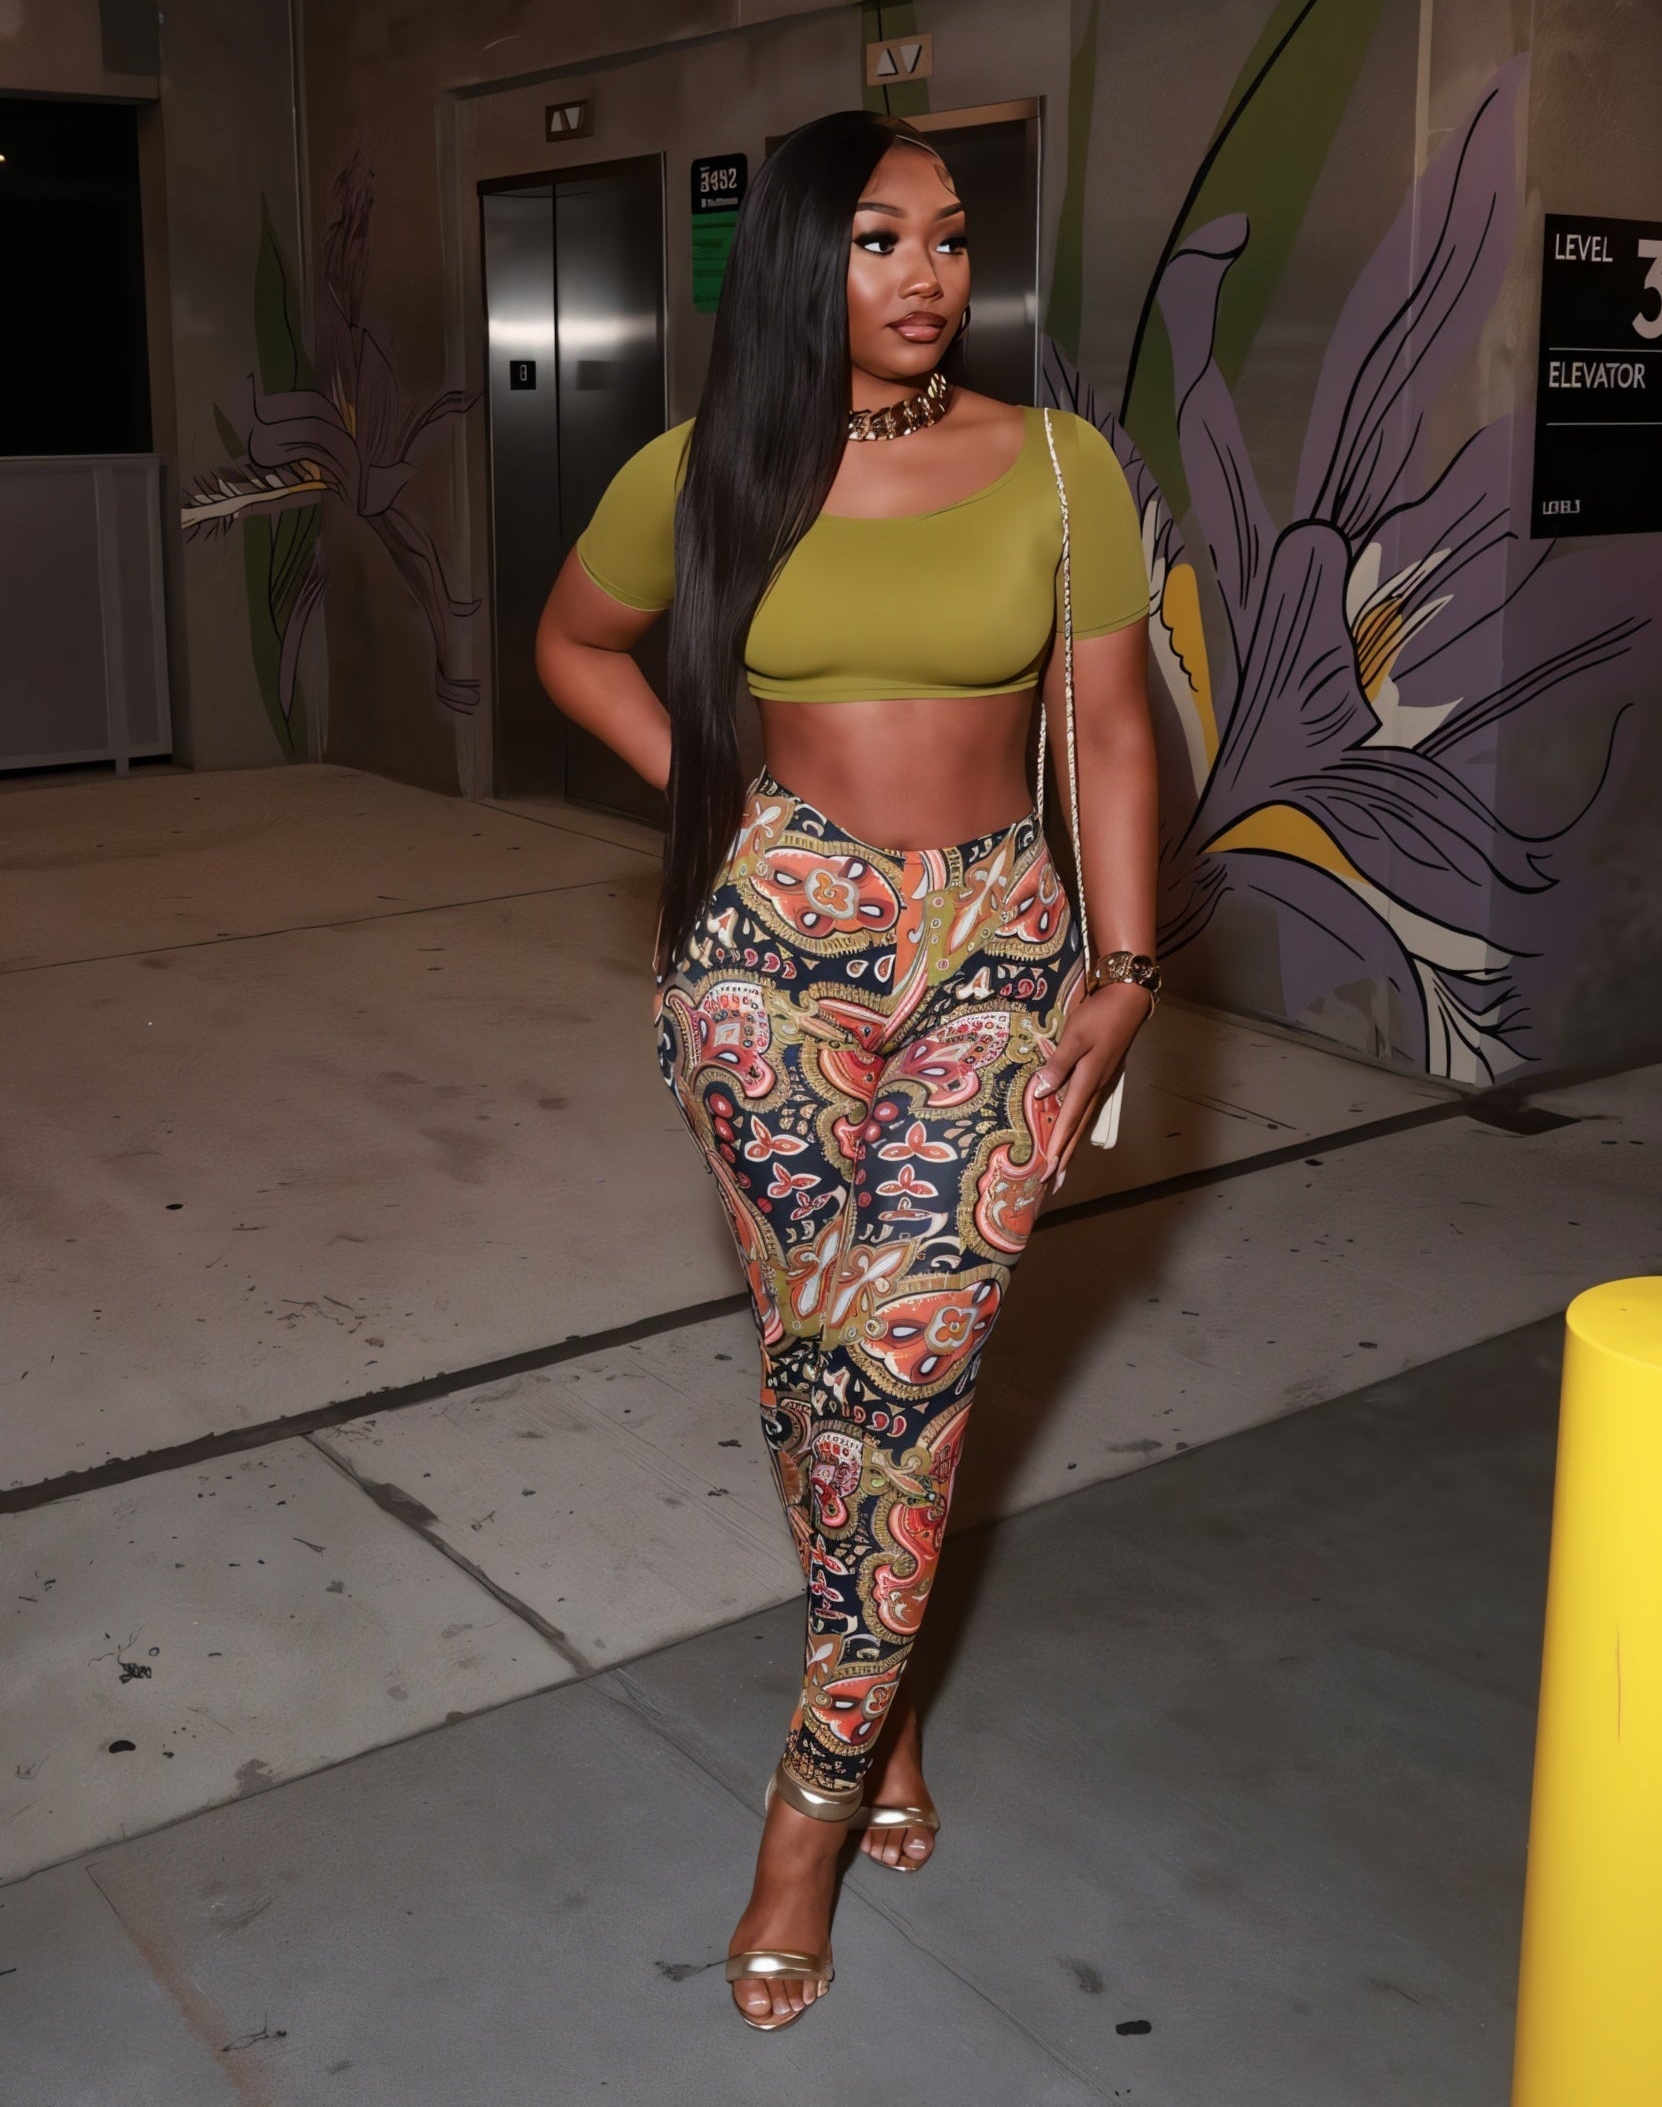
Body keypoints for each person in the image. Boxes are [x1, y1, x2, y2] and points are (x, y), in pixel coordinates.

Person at [534, 108, 1160, 2031]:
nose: (929, 274)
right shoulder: (703, 465)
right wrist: (722, 813)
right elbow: (577, 644)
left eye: (952, 236)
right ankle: (880, 1703)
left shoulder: (1057, 468)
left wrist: (1128, 968)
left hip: (997, 945)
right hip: (763, 954)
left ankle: (807, 1807)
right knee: (821, 1358)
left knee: (905, 1355)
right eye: (883, 238)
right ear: (808, 259)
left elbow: (1111, 732)